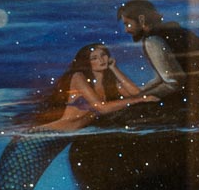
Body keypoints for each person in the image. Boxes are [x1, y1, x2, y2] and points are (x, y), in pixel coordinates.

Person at [117, 0, 199, 126]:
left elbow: (173, 83)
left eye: (128, 24)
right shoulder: (176, 31)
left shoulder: (153, 40)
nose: (126, 30)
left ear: (141, 20)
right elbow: (164, 76)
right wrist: (142, 92)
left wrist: (140, 98)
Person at [30, 42, 158, 132]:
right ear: (87, 62)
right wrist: (141, 100)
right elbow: (101, 108)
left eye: (103, 55)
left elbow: (137, 93)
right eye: (94, 58)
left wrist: (114, 68)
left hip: (75, 133)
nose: (101, 60)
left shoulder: (109, 82)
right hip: (52, 131)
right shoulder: (78, 77)